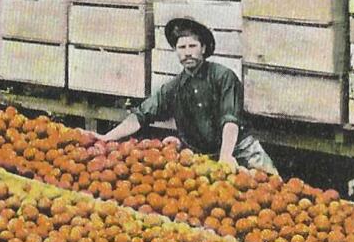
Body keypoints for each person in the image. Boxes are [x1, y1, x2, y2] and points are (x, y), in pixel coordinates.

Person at [96, 17, 278, 174]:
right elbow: (141, 115)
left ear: (204, 48)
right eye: (181, 47)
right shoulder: (174, 87)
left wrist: (226, 156)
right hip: (204, 157)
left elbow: (230, 120)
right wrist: (107, 137)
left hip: (239, 150)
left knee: (273, 189)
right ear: (176, 51)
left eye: (193, 45)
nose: (187, 52)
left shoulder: (223, 76)